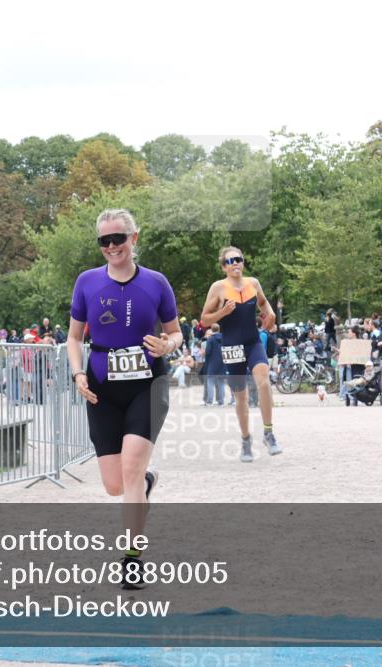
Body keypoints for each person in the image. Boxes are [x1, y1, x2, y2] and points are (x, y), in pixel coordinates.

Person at [66, 208, 181, 590]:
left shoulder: (156, 282)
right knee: (115, 485)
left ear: (134, 238)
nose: (111, 246)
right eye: (104, 241)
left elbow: (176, 332)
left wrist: (168, 344)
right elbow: (74, 337)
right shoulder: (86, 282)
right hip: (102, 388)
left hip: (148, 385)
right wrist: (78, 373)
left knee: (130, 468)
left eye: (118, 238)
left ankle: (132, 560)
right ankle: (143, 485)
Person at [200, 246, 281, 463]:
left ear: (243, 262)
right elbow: (205, 320)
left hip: (253, 342)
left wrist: (270, 314)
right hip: (231, 345)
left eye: (238, 259)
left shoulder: (253, 283)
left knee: (264, 382)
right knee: (241, 396)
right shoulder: (218, 288)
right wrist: (222, 313)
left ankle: (268, 433)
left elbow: (263, 303)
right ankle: (246, 440)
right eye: (230, 261)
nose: (235, 263)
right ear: (223, 266)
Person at [201, 324, 227, 406]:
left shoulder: (211, 339)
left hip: (212, 363)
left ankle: (209, 401)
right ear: (219, 329)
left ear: (212, 330)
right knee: (221, 383)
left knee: (210, 382)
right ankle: (221, 401)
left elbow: (208, 352)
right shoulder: (224, 338)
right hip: (222, 363)